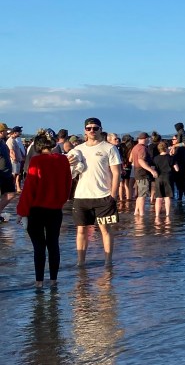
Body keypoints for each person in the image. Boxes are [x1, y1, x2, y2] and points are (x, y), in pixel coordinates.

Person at [15, 131, 72, 287]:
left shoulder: (36, 161)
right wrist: (61, 201)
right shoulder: (63, 160)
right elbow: (68, 184)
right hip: (55, 209)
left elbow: (29, 189)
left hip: (36, 210)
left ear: (38, 147)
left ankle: (39, 282)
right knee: (53, 244)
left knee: (39, 247)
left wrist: (21, 212)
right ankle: (53, 280)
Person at [68, 117, 122, 266]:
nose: (92, 130)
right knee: (81, 231)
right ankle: (80, 263)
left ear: (100, 129)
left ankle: (108, 262)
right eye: (89, 128)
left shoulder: (109, 148)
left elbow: (116, 173)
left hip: (103, 196)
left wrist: (114, 195)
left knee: (105, 229)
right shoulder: (78, 150)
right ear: (84, 130)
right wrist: (68, 163)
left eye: (95, 128)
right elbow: (68, 172)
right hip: (81, 196)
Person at [130, 132, 158, 217]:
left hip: (137, 171)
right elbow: (141, 161)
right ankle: (141, 214)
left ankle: (136, 212)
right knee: (143, 194)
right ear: (145, 139)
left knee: (140, 194)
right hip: (142, 172)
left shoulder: (135, 147)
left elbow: (130, 159)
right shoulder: (142, 148)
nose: (149, 140)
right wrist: (151, 170)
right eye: (148, 138)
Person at [153, 141, 178, 219]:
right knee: (167, 197)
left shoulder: (155, 158)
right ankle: (167, 215)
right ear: (166, 148)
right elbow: (177, 169)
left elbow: (153, 169)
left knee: (158, 198)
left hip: (158, 179)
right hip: (168, 178)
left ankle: (157, 215)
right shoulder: (170, 158)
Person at [0, 124, 15, 221]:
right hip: (1, 173)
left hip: (7, 174)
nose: (7, 132)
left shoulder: (2, 142)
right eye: (6, 131)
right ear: (1, 132)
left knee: (10, 194)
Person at [7, 126, 26, 193]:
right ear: (15, 132)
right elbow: (11, 151)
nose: (20, 133)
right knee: (14, 175)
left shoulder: (14, 140)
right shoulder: (10, 140)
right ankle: (12, 188)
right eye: (19, 132)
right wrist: (15, 159)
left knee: (17, 174)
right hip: (14, 161)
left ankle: (17, 188)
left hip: (17, 160)